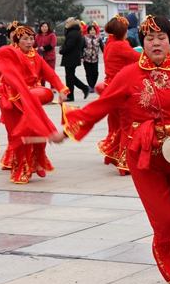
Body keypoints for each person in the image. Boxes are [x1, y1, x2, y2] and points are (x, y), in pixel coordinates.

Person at [53, 15, 170, 284]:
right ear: (142, 43)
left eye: (161, 37)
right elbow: (103, 104)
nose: (156, 43)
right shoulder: (129, 76)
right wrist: (69, 129)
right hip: (145, 158)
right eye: (149, 38)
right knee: (165, 221)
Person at [0, 25, 68, 184]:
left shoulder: (35, 56)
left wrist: (61, 89)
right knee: (19, 136)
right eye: (25, 39)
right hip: (12, 100)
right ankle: (21, 169)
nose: (29, 42)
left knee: (40, 133)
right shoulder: (9, 54)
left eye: (31, 39)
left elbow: (50, 74)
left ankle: (36, 162)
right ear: (17, 40)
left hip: (32, 99)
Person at [100, 15, 141, 175]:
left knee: (115, 124)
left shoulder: (109, 44)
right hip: (120, 89)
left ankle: (111, 156)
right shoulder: (120, 45)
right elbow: (139, 58)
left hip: (109, 87)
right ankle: (125, 163)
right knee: (126, 125)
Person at [60, 17, 90, 102]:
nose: (66, 24)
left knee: (70, 77)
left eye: (67, 22)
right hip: (72, 57)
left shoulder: (72, 33)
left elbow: (70, 45)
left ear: (71, 23)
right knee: (71, 76)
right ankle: (84, 88)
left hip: (71, 57)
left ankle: (72, 95)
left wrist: (62, 50)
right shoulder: (75, 31)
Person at [33, 21, 57, 89]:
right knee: (41, 73)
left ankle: (53, 87)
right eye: (42, 27)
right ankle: (42, 87)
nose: (44, 28)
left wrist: (44, 48)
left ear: (48, 27)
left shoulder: (52, 35)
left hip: (50, 57)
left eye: (45, 27)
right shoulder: (38, 35)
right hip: (40, 57)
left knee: (51, 72)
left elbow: (53, 44)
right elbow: (34, 45)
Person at [83, 25, 104, 93]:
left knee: (95, 73)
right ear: (88, 31)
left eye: (93, 30)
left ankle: (93, 84)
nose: (92, 31)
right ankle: (91, 86)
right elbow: (80, 48)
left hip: (95, 59)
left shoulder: (98, 39)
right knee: (88, 73)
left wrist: (106, 54)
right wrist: (81, 57)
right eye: (91, 30)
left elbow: (103, 48)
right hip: (86, 59)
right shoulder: (84, 38)